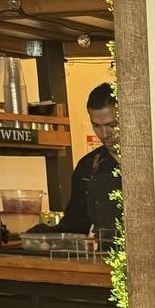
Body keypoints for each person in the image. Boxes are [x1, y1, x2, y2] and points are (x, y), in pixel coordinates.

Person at [54, 84, 120, 235]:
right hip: (107, 255)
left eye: (112, 125)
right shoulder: (88, 166)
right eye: (96, 126)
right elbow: (74, 225)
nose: (104, 134)